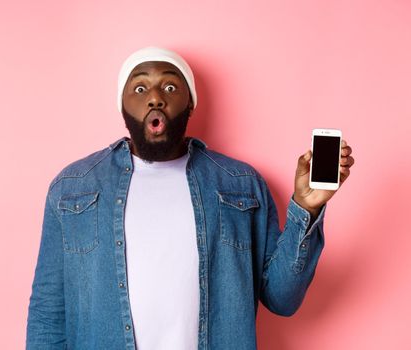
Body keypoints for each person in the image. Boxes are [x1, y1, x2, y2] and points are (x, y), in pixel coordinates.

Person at [26, 47, 355, 350]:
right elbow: (48, 317)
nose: (155, 98)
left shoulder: (240, 184)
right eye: (140, 89)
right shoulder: (73, 188)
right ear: (122, 105)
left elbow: (283, 298)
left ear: (191, 102)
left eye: (170, 87)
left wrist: (306, 209)